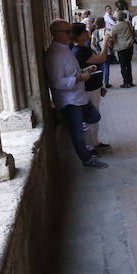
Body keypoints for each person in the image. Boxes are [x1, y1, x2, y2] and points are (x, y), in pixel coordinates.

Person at [44, 19, 109, 169]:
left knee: (94, 116)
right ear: (55, 34)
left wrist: (84, 71)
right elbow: (57, 83)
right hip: (70, 101)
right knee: (77, 131)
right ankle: (87, 160)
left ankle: (74, 126)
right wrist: (79, 78)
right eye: (67, 32)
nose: (70, 34)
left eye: (70, 31)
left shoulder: (65, 49)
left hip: (79, 97)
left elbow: (70, 72)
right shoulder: (54, 55)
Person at [69, 23, 111, 151]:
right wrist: (106, 41)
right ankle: (91, 145)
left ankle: (94, 142)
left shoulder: (80, 48)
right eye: (85, 31)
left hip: (92, 86)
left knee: (93, 114)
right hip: (90, 88)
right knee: (92, 116)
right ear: (80, 35)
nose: (88, 33)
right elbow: (102, 58)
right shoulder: (81, 50)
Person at [111, 11, 136, 88]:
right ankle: (130, 81)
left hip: (121, 48)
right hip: (129, 46)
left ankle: (126, 82)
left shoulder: (115, 27)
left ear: (116, 18)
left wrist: (111, 46)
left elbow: (111, 37)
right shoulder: (128, 24)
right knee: (128, 64)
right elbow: (133, 33)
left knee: (123, 66)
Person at [93, 17, 112, 89]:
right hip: (107, 52)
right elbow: (110, 43)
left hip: (98, 52)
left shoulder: (94, 32)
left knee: (100, 67)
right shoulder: (106, 31)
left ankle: (100, 82)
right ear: (103, 23)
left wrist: (97, 51)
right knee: (106, 67)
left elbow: (92, 44)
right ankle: (106, 83)